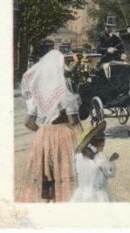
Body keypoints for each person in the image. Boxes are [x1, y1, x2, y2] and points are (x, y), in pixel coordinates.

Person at [17, 50, 82, 202]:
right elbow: (73, 121)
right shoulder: (64, 93)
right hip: (62, 136)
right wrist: (84, 140)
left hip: (43, 135)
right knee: (63, 171)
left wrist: (44, 131)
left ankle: (47, 201)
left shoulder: (38, 94)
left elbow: (28, 122)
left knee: (45, 172)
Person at [71, 121, 119, 202]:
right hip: (98, 196)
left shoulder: (78, 157)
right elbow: (111, 173)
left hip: (82, 194)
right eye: (101, 141)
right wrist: (111, 161)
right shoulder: (101, 159)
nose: (103, 143)